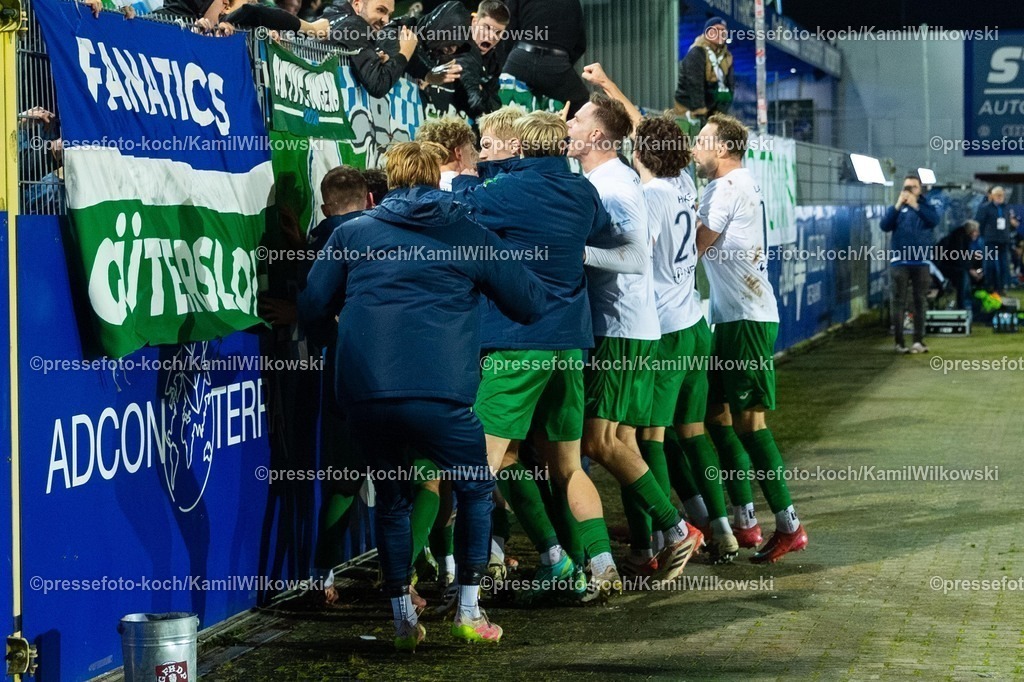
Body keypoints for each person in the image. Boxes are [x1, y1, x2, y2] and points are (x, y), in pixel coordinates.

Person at [299, 141, 547, 650]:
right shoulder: (468, 234)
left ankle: (401, 621)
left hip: (366, 396)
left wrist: (344, 337)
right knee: (476, 488)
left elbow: (311, 308)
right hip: (442, 396)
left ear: (385, 183)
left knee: (390, 500)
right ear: (438, 178)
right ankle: (470, 612)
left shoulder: (352, 233)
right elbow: (529, 303)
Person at [453, 110, 619, 603]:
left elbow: (461, 208)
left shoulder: (504, 191)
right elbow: (603, 231)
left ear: (520, 147)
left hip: (516, 342)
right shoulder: (583, 192)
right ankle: (596, 563)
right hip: (570, 343)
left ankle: (469, 588)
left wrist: (469, 176)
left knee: (477, 465)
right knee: (566, 466)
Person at [567, 93, 704, 591]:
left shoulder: (620, 188)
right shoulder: (609, 179)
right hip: (634, 326)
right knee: (622, 440)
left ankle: (676, 528)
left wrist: (575, 252)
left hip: (623, 329)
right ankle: (654, 540)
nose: (570, 121)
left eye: (579, 118)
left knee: (598, 441)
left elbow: (634, 258)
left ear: (600, 136)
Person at [693, 113, 808, 564]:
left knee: (750, 425)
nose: (694, 148)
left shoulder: (725, 188)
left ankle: (789, 525)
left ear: (722, 148)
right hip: (732, 317)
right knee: (715, 416)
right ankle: (744, 521)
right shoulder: (738, 181)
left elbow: (694, 247)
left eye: (701, 141)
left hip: (747, 320)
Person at [630, 115, 741, 566]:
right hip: (694, 322)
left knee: (648, 438)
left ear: (640, 151)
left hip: (668, 329)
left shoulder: (651, 194)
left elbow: (637, 257)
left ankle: (660, 542)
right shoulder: (682, 186)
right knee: (693, 435)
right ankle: (722, 528)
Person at [880, 173, 940, 353]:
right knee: (898, 301)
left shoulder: (926, 206)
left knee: (920, 301)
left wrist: (915, 205)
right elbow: (884, 225)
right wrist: (898, 205)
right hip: (900, 262)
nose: (909, 190)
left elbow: (933, 221)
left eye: (913, 186)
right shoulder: (897, 208)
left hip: (921, 261)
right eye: (906, 187)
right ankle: (899, 343)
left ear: (919, 189)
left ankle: (918, 341)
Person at [501, 0, 590, 116]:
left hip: (519, 58)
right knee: (582, 102)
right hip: (555, 64)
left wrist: (509, 58)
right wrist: (563, 64)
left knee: (496, 96)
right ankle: (562, 132)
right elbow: (580, 45)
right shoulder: (573, 2)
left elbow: (508, 29)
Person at [324, 0, 419, 98]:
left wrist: (375, 59)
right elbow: (378, 85)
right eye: (380, 10)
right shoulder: (354, 26)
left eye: (389, 15)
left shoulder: (336, 19)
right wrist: (404, 53)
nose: (386, 20)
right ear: (357, 5)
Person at [674, 17, 735, 134]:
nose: (720, 33)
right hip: (689, 110)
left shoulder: (727, 57)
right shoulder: (697, 52)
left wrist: (720, 113)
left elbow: (731, 86)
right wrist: (700, 111)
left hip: (713, 111)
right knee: (689, 144)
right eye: (716, 29)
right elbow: (694, 84)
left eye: (723, 31)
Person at [974, 186, 1019, 294]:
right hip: (990, 240)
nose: (1000, 197)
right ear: (992, 196)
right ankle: (989, 285)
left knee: (1004, 265)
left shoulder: (1007, 208)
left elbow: (1010, 223)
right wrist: (983, 235)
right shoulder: (985, 208)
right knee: (990, 264)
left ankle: (1001, 287)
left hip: (1003, 240)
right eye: (997, 195)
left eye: (1002, 195)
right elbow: (979, 223)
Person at [414, 116, 478, 190]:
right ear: (458, 153)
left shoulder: (417, 188)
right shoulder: (471, 189)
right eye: (471, 151)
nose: (475, 156)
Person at [936, 220, 984, 311]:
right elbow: (958, 259)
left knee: (967, 271)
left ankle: (972, 302)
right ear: (971, 231)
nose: (978, 234)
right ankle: (964, 304)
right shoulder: (958, 238)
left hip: (951, 266)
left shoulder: (962, 237)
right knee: (963, 274)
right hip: (943, 267)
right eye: (976, 231)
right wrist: (970, 270)